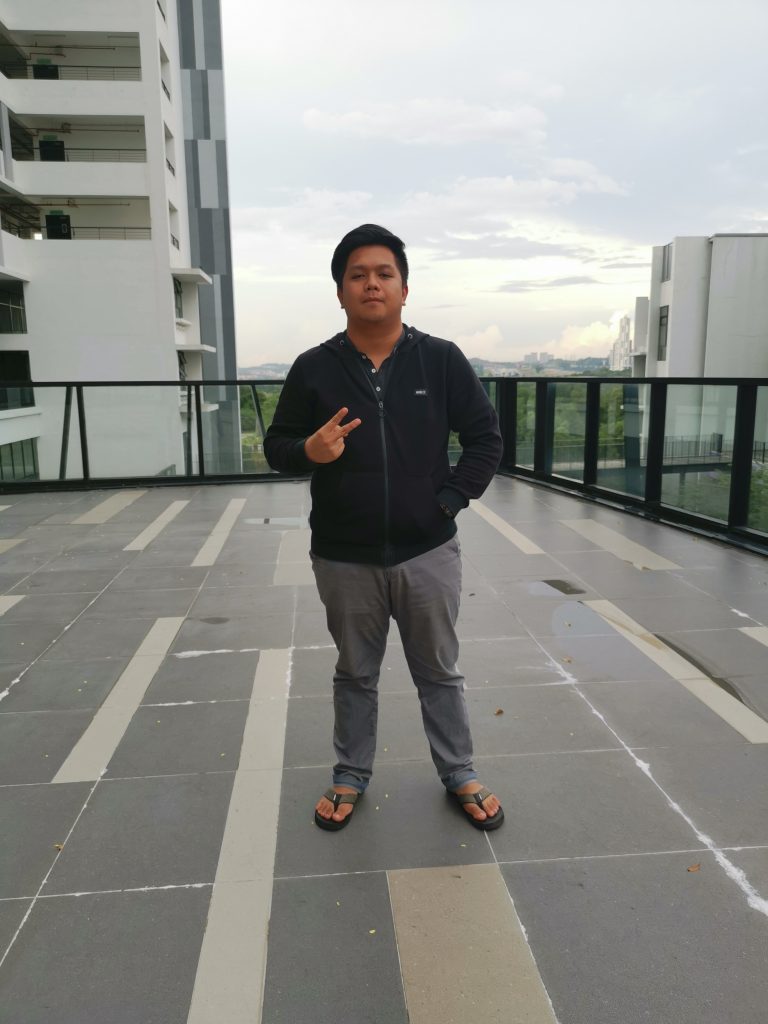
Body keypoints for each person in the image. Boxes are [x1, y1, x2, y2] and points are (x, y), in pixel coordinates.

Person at [264, 224, 505, 832]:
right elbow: (277, 446)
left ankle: (460, 772)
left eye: (384, 274)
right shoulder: (314, 368)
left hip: (427, 550)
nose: (371, 284)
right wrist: (309, 451)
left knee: (439, 671)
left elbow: (485, 438)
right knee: (354, 672)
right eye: (357, 275)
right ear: (340, 291)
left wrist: (447, 502)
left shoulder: (440, 359)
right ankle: (350, 774)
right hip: (344, 554)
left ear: (404, 289)